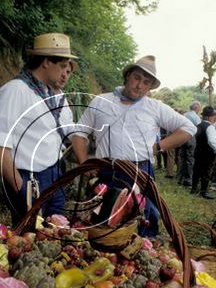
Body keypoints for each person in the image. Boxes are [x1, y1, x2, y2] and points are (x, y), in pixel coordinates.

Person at [70, 55, 196, 238]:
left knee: (145, 220)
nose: (140, 85)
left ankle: (145, 251)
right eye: (137, 78)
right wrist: (84, 165)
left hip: (140, 170)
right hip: (107, 170)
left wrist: (158, 147)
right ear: (128, 75)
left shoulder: (155, 107)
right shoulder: (100, 101)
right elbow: (79, 133)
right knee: (102, 222)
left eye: (146, 82)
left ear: (150, 87)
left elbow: (188, 128)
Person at [0, 32, 78, 226]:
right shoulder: (16, 90)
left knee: (57, 235)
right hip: (28, 180)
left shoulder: (54, 96)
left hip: (55, 176)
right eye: (62, 66)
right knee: (29, 241)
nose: (65, 73)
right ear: (46, 62)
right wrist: (21, 190)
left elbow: (69, 133)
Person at [191, 106, 216, 199]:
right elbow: (211, 141)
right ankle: (204, 191)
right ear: (208, 117)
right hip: (207, 153)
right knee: (207, 171)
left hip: (198, 151)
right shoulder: (210, 127)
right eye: (213, 115)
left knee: (197, 169)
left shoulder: (198, 125)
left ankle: (194, 188)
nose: (214, 117)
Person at [177, 101, 201, 187]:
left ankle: (180, 178)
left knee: (182, 158)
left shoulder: (184, 115)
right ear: (196, 108)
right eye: (199, 107)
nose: (200, 109)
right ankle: (188, 180)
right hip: (191, 137)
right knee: (190, 159)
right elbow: (199, 129)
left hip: (182, 137)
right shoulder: (195, 117)